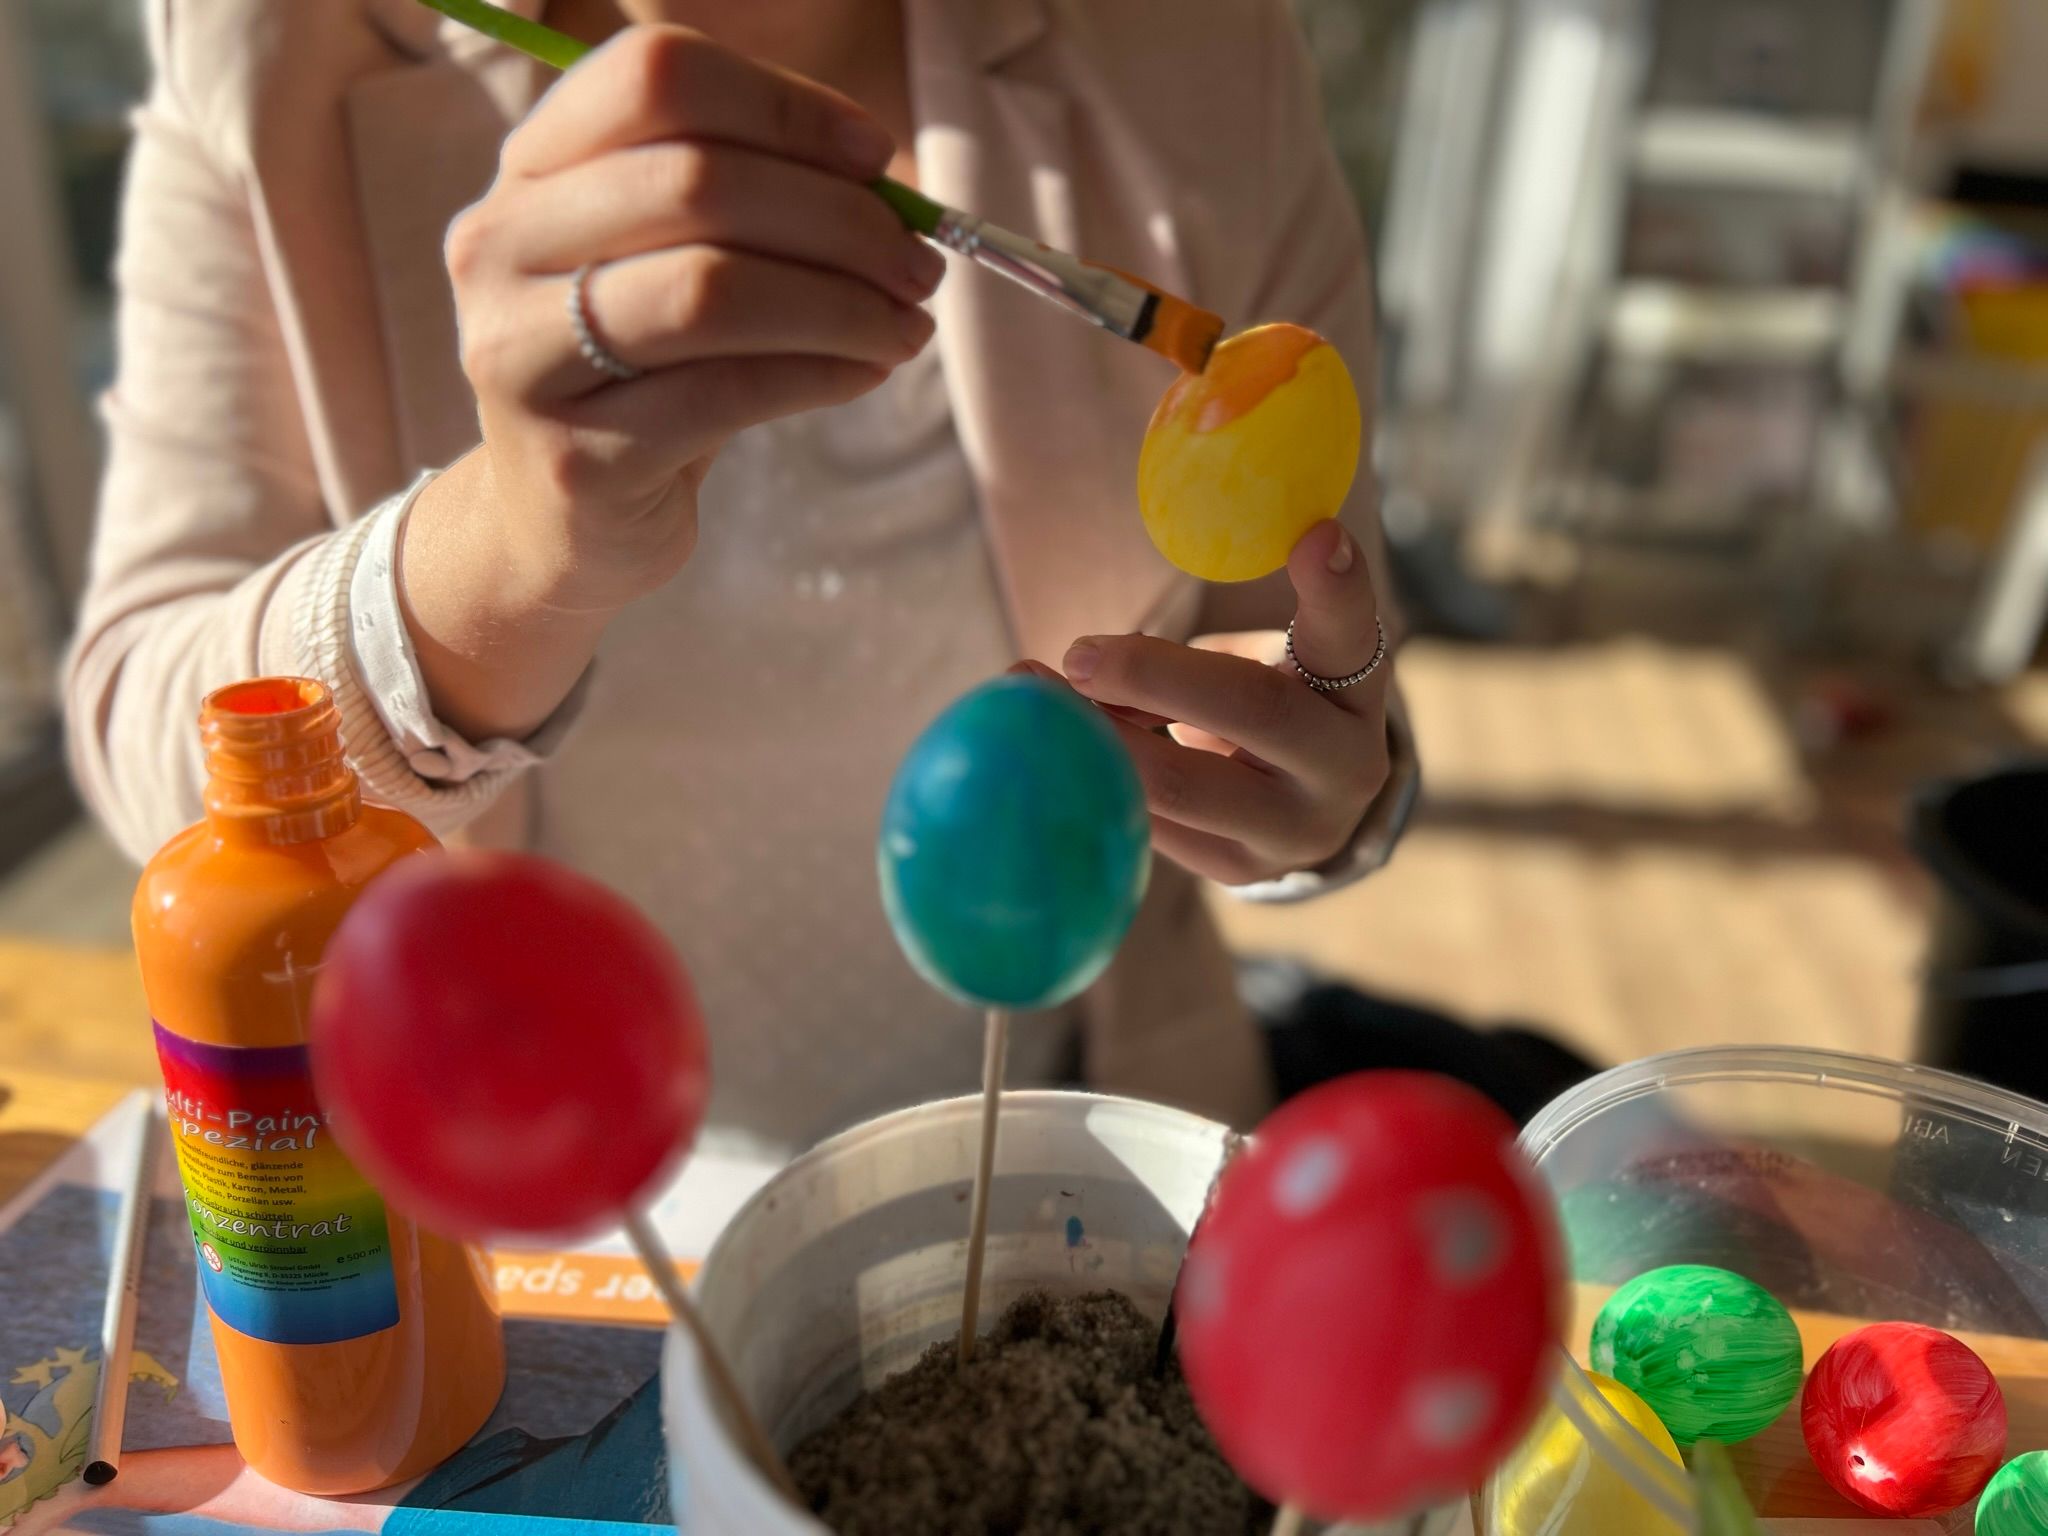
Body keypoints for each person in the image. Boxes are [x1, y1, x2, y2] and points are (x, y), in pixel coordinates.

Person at [66, 0, 1418, 1156]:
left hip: (1065, 1195)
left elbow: (1311, 676)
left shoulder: (1193, 52)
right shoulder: (289, 43)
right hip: (507, 1235)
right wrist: (508, 546)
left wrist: (1319, 788)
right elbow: (145, 730)